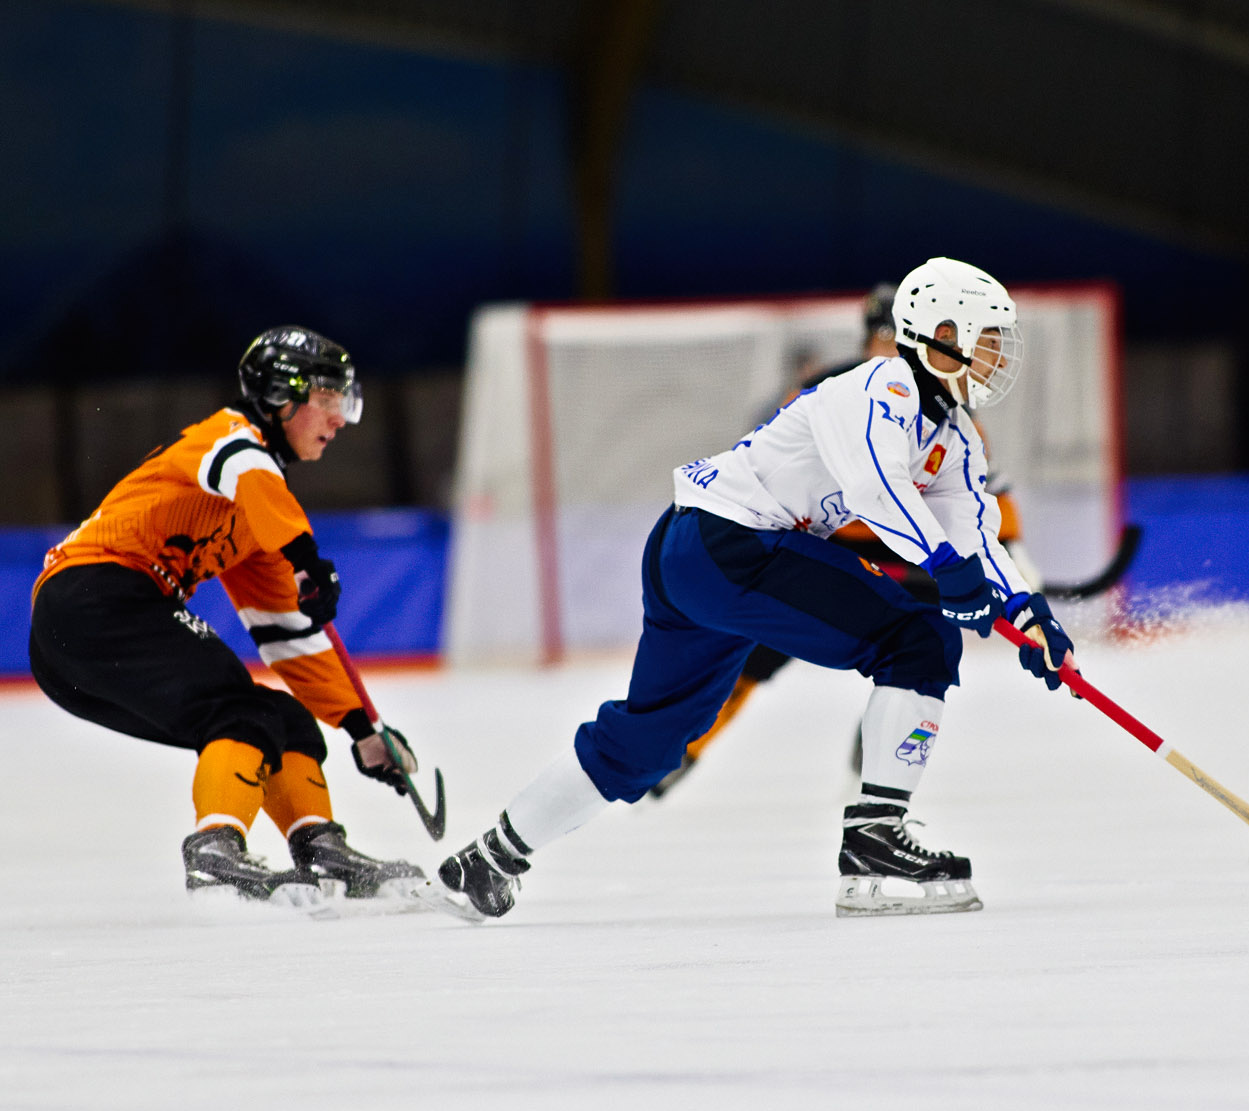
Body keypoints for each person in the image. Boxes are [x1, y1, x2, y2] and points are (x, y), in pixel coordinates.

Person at [439, 258, 1073, 917]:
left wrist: (1030, 614)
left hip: (692, 551)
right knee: (918, 637)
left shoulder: (956, 435)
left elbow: (973, 528)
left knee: (651, 740)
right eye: (989, 337)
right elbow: (875, 488)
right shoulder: (882, 387)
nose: (999, 356)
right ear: (941, 331)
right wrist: (948, 568)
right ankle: (875, 836)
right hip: (730, 546)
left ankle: (488, 858)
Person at [29, 327, 428, 901]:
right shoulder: (228, 440)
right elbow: (244, 466)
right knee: (237, 711)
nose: (340, 419)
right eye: (329, 399)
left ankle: (320, 845)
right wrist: (304, 556)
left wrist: (363, 728)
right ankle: (215, 851)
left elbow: (289, 635)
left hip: (83, 636)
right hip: (92, 596)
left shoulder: (258, 516)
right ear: (279, 398)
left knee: (281, 718)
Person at [646, 280, 1041, 799]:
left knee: (921, 638)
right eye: (881, 333)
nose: (887, 344)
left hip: (905, 546)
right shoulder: (838, 390)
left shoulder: (954, 421)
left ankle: (882, 740)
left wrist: (1013, 578)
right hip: (823, 542)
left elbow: (975, 501)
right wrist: (950, 565)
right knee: (757, 653)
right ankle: (686, 747)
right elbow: (861, 485)